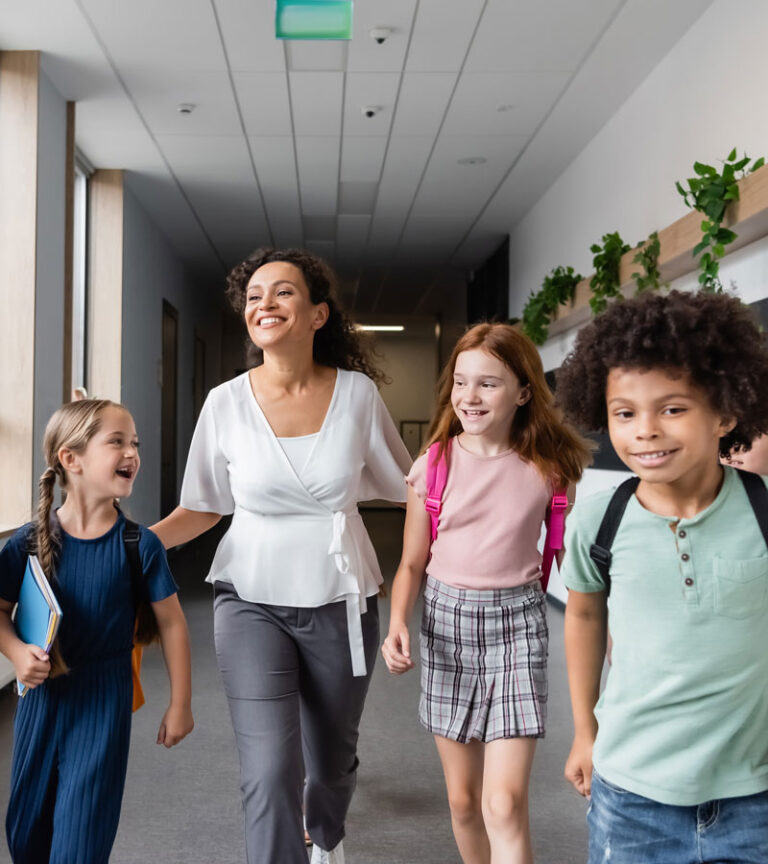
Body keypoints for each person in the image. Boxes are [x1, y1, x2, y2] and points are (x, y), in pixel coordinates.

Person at [150, 247, 411, 864]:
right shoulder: (225, 403)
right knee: (269, 769)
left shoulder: (357, 395)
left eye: (283, 292)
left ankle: (326, 835)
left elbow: (414, 490)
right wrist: (124, 546)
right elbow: (203, 507)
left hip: (340, 598)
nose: (264, 303)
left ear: (319, 314)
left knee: (332, 762)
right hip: (250, 598)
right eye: (254, 296)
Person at [557, 290, 768, 864]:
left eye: (672, 409)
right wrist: (584, 731)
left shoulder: (761, 511)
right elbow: (584, 614)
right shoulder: (598, 520)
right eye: (625, 413)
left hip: (754, 795)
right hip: (632, 796)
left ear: (725, 413)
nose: (645, 430)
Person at [381, 323, 591, 864]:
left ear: (523, 392)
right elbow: (411, 562)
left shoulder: (551, 470)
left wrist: (610, 633)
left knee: (503, 803)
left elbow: (573, 569)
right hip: (447, 628)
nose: (469, 396)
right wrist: (398, 622)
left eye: (488, 384)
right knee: (463, 802)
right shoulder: (433, 465)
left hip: (518, 626)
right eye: (461, 382)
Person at [0, 399, 193, 864]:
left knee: (81, 841)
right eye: (117, 442)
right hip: (41, 701)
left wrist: (181, 704)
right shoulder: (27, 542)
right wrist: (17, 653)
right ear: (71, 458)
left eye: (135, 444)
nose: (132, 453)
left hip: (104, 701)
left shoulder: (139, 545)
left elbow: (172, 622)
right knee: (26, 837)